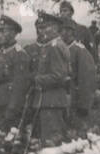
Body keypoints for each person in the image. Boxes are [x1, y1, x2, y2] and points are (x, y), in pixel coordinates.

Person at [27, 12, 72, 142]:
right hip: (46, 101)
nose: (40, 32)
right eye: (39, 28)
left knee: (51, 142)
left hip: (52, 101)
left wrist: (35, 79)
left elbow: (59, 76)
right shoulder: (51, 45)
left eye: (45, 27)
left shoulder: (55, 46)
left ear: (55, 28)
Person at [0, 15, 31, 132]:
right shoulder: (1, 52)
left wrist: (12, 108)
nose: (0, 34)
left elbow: (20, 85)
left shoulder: (19, 54)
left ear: (13, 33)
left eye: (4, 31)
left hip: (11, 106)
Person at [60, 17, 98, 132]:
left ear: (70, 32)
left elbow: (86, 79)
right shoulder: (58, 48)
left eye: (63, 30)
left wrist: (84, 105)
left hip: (74, 99)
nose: (60, 33)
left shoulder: (79, 50)